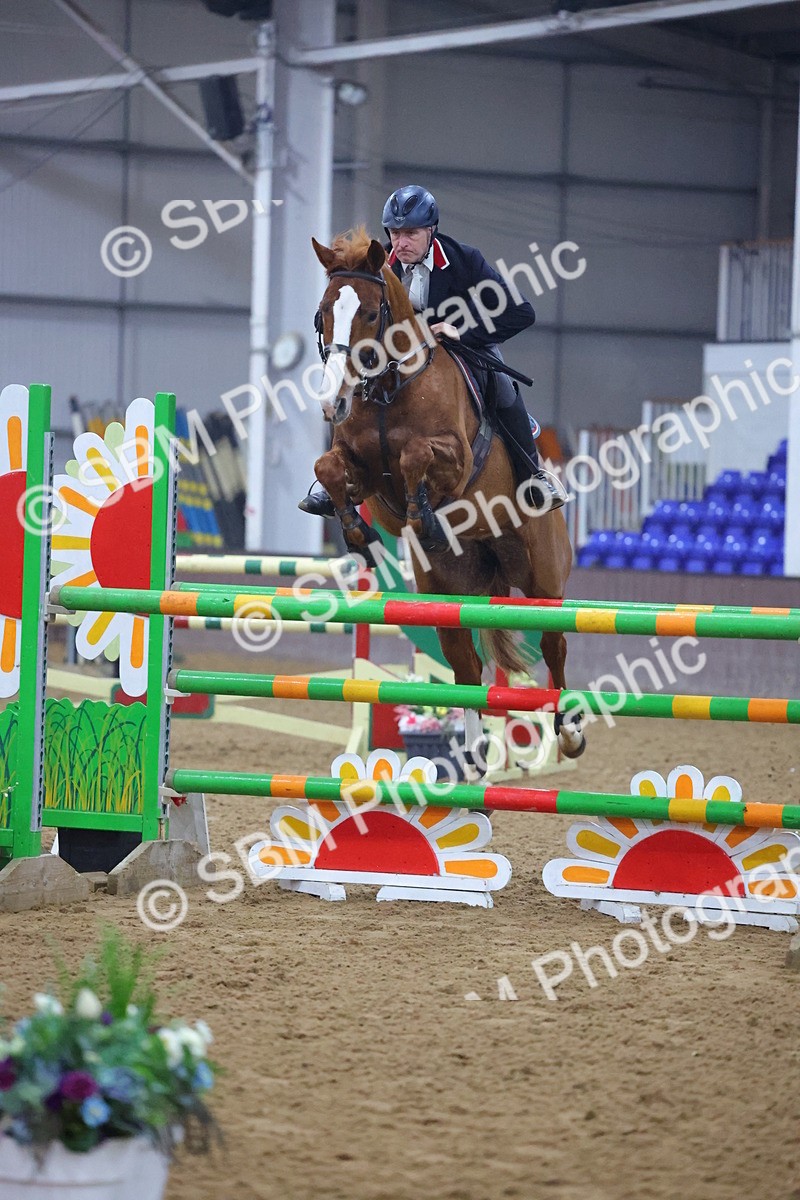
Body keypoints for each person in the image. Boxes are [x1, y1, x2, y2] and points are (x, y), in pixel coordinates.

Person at [300, 184, 564, 517]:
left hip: (461, 348)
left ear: (431, 230)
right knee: (346, 385)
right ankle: (335, 480)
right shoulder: (378, 265)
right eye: (395, 233)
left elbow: (521, 313)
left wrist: (462, 332)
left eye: (410, 233)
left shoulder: (464, 260)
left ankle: (533, 478)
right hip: (399, 358)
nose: (401, 243)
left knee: (503, 389)